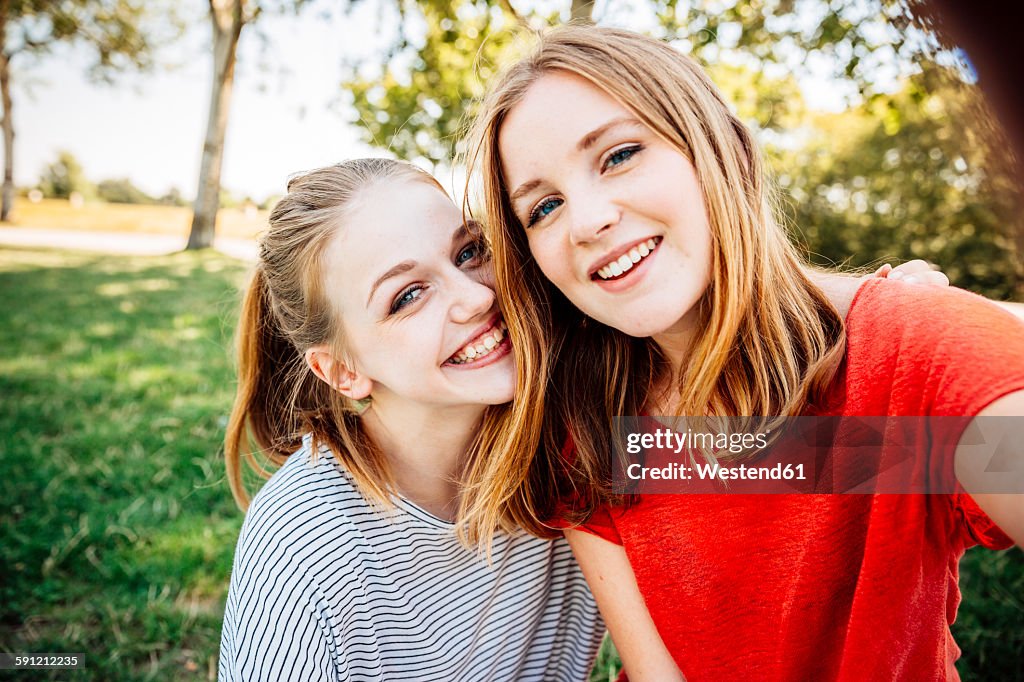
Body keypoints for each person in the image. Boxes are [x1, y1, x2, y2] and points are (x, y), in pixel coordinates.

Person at [464, 25, 1024, 681]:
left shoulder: (914, 349)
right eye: (545, 207)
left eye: (618, 156)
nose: (587, 222)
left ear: (727, 151)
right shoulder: (591, 427)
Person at [217, 158, 605, 681]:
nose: (477, 296)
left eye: (468, 253)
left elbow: (749, 463)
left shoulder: (574, 425)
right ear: (342, 370)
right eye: (408, 296)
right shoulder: (305, 538)